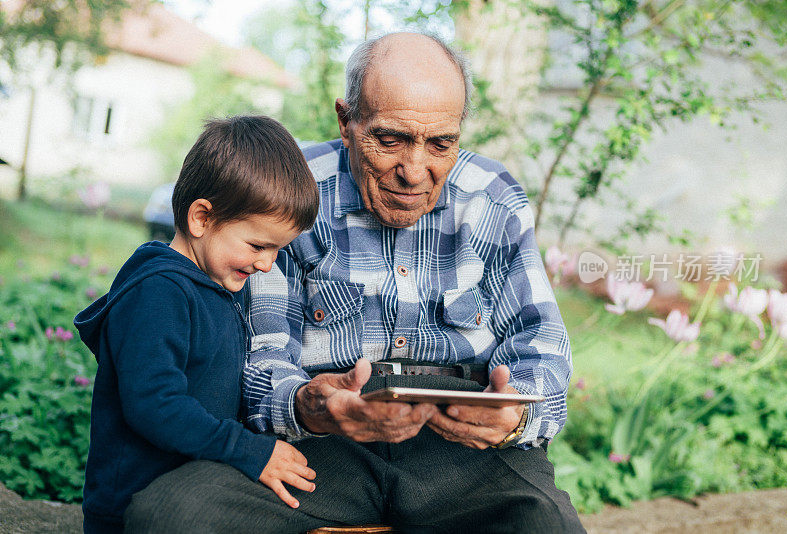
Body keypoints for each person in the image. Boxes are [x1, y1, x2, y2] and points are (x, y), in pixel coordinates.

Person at [125, 33, 585, 533]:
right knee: (172, 517)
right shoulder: (291, 195)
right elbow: (264, 359)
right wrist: (311, 405)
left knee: (547, 525)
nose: (414, 171)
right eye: (390, 140)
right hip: (322, 446)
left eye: (441, 144)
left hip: (462, 449)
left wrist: (512, 417)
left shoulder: (493, 198)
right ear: (347, 122)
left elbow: (542, 343)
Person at [74, 116, 320, 533]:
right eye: (258, 245)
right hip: (134, 510)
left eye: (278, 249)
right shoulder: (158, 293)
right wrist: (247, 449)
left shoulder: (219, 285)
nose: (267, 263)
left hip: (196, 496)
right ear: (201, 219)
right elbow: (155, 405)